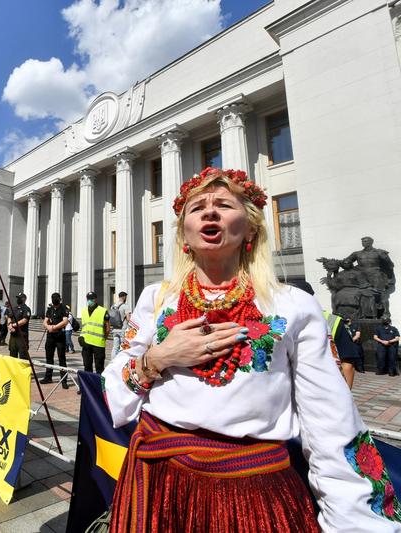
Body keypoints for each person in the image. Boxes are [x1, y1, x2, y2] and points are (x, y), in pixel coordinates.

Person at [103, 167, 401, 531]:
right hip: (158, 479)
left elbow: (330, 420)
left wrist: (354, 521)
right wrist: (159, 358)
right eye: (197, 209)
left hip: (253, 489)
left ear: (251, 228)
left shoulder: (292, 305)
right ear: (183, 234)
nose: (210, 212)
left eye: (225, 205)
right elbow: (114, 384)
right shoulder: (157, 297)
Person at [42, 292, 69, 388]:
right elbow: (45, 321)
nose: (54, 299)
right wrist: (48, 326)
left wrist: (54, 327)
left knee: (62, 358)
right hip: (50, 336)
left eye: (56, 298)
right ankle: (48, 377)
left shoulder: (63, 308)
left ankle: (64, 380)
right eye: (53, 298)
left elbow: (65, 321)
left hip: (60, 336)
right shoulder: (50, 309)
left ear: (60, 299)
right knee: (49, 357)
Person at [79, 291, 109, 374]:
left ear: (96, 299)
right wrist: (81, 336)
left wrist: (103, 338)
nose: (90, 301)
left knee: (99, 368)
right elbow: (84, 326)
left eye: (92, 299)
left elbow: (107, 328)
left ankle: (100, 386)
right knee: (87, 366)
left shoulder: (103, 311)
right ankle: (89, 386)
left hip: (98, 344)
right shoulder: (84, 311)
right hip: (86, 343)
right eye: (88, 299)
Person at [7, 293, 31, 359]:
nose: (18, 299)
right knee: (12, 355)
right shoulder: (14, 308)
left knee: (23, 356)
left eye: (20, 298)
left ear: (24, 299)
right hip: (13, 335)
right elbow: (9, 317)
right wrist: (9, 325)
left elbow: (24, 320)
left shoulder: (26, 309)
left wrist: (14, 325)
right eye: (18, 298)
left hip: (22, 336)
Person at [109, 291, 131, 357]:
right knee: (123, 347)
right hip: (122, 329)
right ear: (124, 297)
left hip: (114, 329)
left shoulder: (113, 306)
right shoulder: (125, 306)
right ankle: (121, 362)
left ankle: (113, 361)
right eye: (126, 297)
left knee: (115, 347)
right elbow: (128, 318)